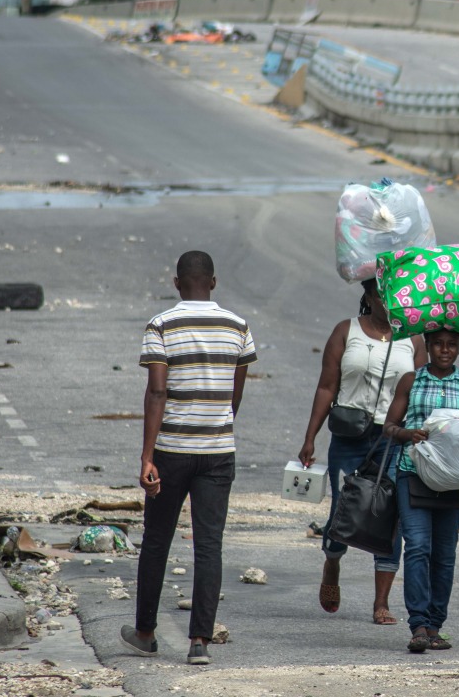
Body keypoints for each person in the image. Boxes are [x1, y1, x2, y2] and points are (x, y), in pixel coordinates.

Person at [121, 251, 256, 666]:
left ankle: (146, 633)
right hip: (218, 453)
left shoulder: (161, 325)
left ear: (177, 283)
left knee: (157, 540)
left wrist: (147, 456)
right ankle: (199, 641)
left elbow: (157, 391)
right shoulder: (238, 326)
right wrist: (216, 425)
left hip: (172, 452)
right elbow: (234, 395)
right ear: (213, 282)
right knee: (209, 545)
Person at [297, 279, 425, 623]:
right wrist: (310, 437)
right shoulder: (346, 331)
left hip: (393, 439)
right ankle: (332, 561)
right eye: (382, 294)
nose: (389, 301)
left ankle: (380, 602)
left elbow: (420, 393)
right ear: (368, 295)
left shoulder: (413, 339)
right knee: (344, 509)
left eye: (396, 294)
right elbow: (327, 387)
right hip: (349, 436)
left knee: (390, 515)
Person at [382, 329, 459, 653]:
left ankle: (435, 626)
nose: (445, 350)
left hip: (455, 480)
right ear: (428, 346)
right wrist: (408, 434)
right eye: (438, 344)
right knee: (418, 547)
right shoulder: (411, 380)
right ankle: (418, 625)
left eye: (452, 344)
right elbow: (389, 426)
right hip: (413, 473)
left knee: (444, 555)